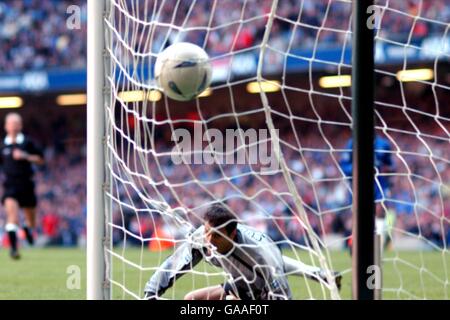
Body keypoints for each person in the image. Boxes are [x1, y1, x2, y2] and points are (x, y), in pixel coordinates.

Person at [144, 203, 341, 300]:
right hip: (242, 282)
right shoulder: (200, 239)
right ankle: (320, 274)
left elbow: (281, 290)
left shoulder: (259, 256)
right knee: (191, 300)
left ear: (232, 234)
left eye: (217, 236)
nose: (209, 240)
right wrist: (151, 292)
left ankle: (320, 274)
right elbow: (173, 265)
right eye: (207, 233)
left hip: (264, 291)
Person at [1, 113, 44, 259]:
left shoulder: (28, 143)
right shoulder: (3, 145)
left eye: (16, 123)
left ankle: (27, 229)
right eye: (10, 124)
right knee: (12, 216)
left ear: (20, 126)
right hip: (10, 186)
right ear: (6, 126)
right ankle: (13, 249)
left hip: (26, 185)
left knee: (31, 219)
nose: (13, 126)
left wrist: (25, 156)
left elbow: (40, 159)